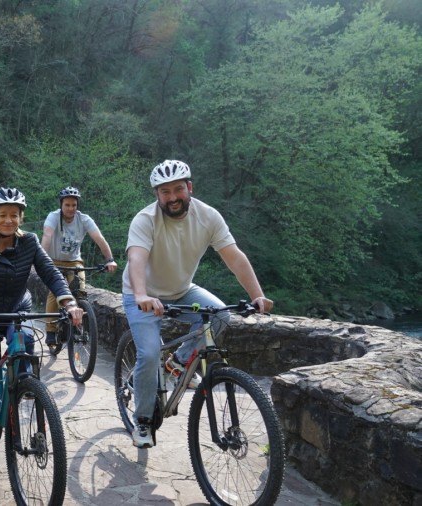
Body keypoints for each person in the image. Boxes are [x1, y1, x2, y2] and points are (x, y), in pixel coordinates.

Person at [123, 160, 274, 449]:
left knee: (220, 316)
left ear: (189, 187)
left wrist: (257, 294)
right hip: (141, 295)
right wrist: (141, 295)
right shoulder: (145, 219)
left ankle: (178, 362)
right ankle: (142, 420)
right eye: (165, 192)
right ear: (157, 195)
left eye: (178, 189)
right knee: (150, 351)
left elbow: (234, 257)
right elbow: (136, 259)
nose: (173, 197)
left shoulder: (208, 216)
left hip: (181, 290)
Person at [0, 187, 84, 459]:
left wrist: (68, 302)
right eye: (2, 215)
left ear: (21, 217)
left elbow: (50, 273)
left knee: (25, 349)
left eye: (14, 215)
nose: (8, 220)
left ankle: (23, 387)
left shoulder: (30, 243)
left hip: (15, 312)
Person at [40, 186, 118, 351]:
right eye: (67, 205)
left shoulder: (84, 219)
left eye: (74, 205)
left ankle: (76, 326)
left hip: (75, 262)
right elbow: (47, 236)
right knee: (55, 293)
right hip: (53, 260)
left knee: (80, 292)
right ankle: (51, 331)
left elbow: (99, 238)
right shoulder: (53, 217)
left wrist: (109, 259)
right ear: (61, 205)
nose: (70, 209)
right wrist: (42, 260)